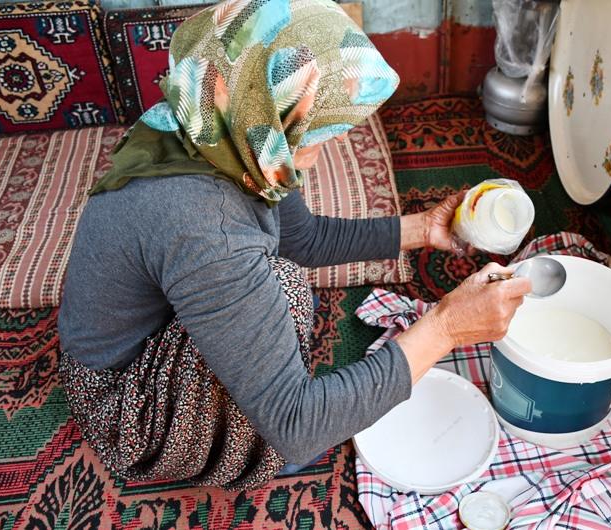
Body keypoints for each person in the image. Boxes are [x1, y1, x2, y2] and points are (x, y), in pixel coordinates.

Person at [57, 0, 530, 491]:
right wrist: (447, 327)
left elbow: (301, 237)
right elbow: (298, 425)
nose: (321, 150)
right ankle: (236, 454)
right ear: (272, 111)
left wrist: (422, 228)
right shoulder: (209, 229)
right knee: (282, 289)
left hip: (139, 325)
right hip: (125, 407)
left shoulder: (219, 122)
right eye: (318, 132)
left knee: (275, 280)